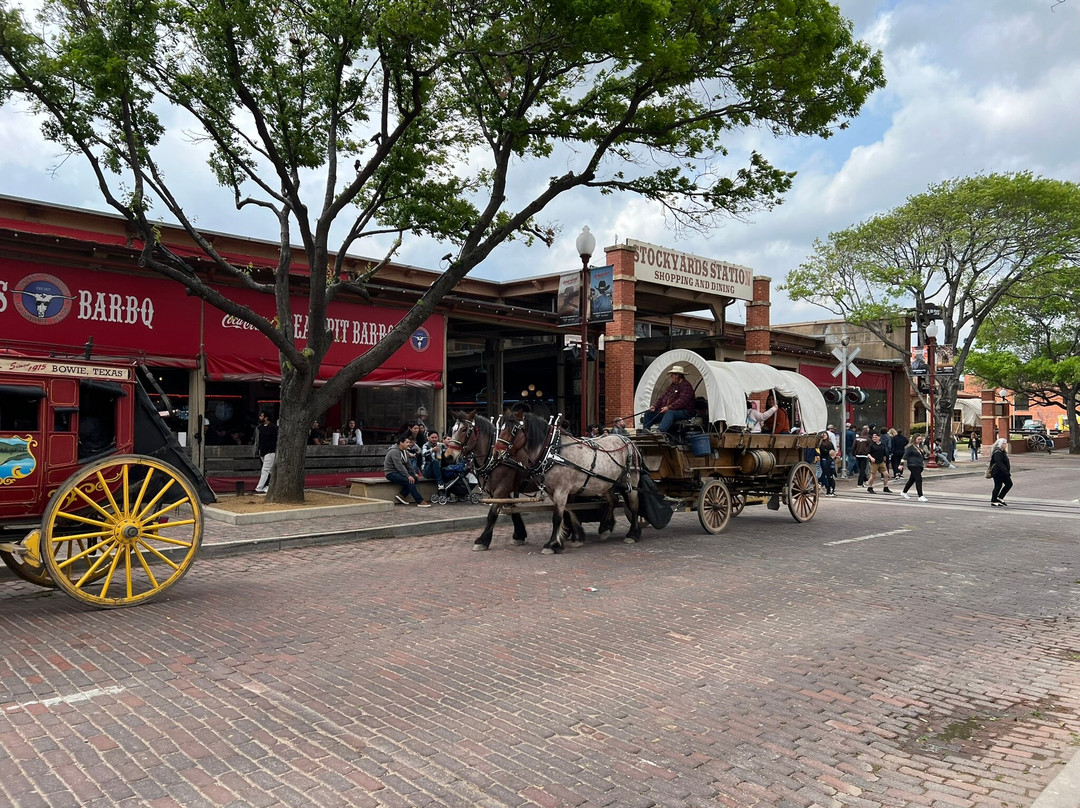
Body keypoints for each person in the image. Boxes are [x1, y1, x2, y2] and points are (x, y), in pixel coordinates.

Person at [643, 365, 695, 434]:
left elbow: (682, 401)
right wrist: (655, 406)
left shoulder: (686, 386)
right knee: (648, 413)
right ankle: (645, 433)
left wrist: (668, 407)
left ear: (678, 375)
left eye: (672, 375)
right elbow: (663, 398)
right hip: (670, 411)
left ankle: (660, 432)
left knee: (670, 412)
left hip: (684, 412)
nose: (671, 377)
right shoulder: (673, 386)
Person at [384, 434, 430, 506]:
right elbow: (399, 466)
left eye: (409, 442)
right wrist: (408, 476)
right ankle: (420, 501)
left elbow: (408, 464)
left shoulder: (404, 451)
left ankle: (402, 495)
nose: (408, 444)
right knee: (410, 481)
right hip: (391, 473)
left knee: (415, 479)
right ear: (401, 443)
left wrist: (414, 473)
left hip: (399, 472)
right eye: (407, 442)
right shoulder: (394, 451)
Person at [253, 410, 278, 494]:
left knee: (265, 470)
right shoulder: (259, 427)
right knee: (270, 470)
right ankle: (272, 486)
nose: (260, 417)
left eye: (261, 416)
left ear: (266, 418)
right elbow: (257, 440)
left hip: (270, 451)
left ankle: (259, 488)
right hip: (262, 451)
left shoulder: (273, 427)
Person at [900, 435, 928, 501]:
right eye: (918, 439)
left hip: (919, 465)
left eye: (920, 439)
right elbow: (905, 456)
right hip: (913, 465)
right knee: (919, 479)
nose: (920, 440)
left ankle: (904, 492)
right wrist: (901, 464)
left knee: (912, 480)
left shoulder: (920, 447)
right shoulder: (910, 447)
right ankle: (920, 495)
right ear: (914, 439)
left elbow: (922, 455)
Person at [988, 437, 1013, 507]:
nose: (1005, 445)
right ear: (1000, 444)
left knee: (1009, 484)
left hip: (1003, 472)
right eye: (1004, 444)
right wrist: (1006, 472)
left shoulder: (1002, 452)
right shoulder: (997, 452)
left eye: (1006, 443)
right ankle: (994, 500)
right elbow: (999, 463)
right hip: (998, 472)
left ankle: (999, 497)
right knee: (998, 485)